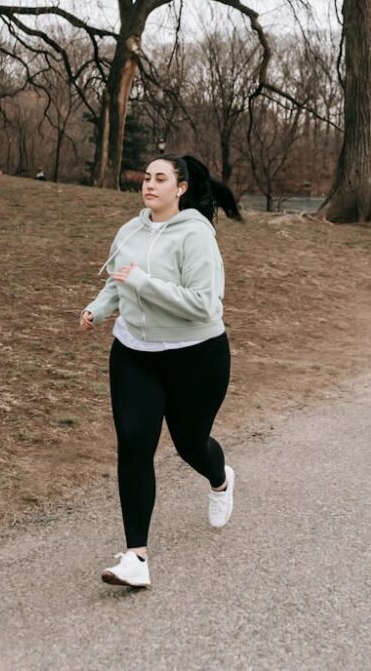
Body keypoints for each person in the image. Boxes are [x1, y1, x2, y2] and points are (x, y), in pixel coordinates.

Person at [80, 154, 241, 589]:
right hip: (135, 353)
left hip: (197, 355)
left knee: (190, 443)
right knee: (134, 444)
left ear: (181, 188)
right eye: (146, 177)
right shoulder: (129, 231)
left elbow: (204, 304)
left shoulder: (196, 237)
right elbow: (118, 280)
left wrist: (142, 284)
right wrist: (98, 308)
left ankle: (220, 478)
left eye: (161, 178)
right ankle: (136, 557)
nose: (149, 184)